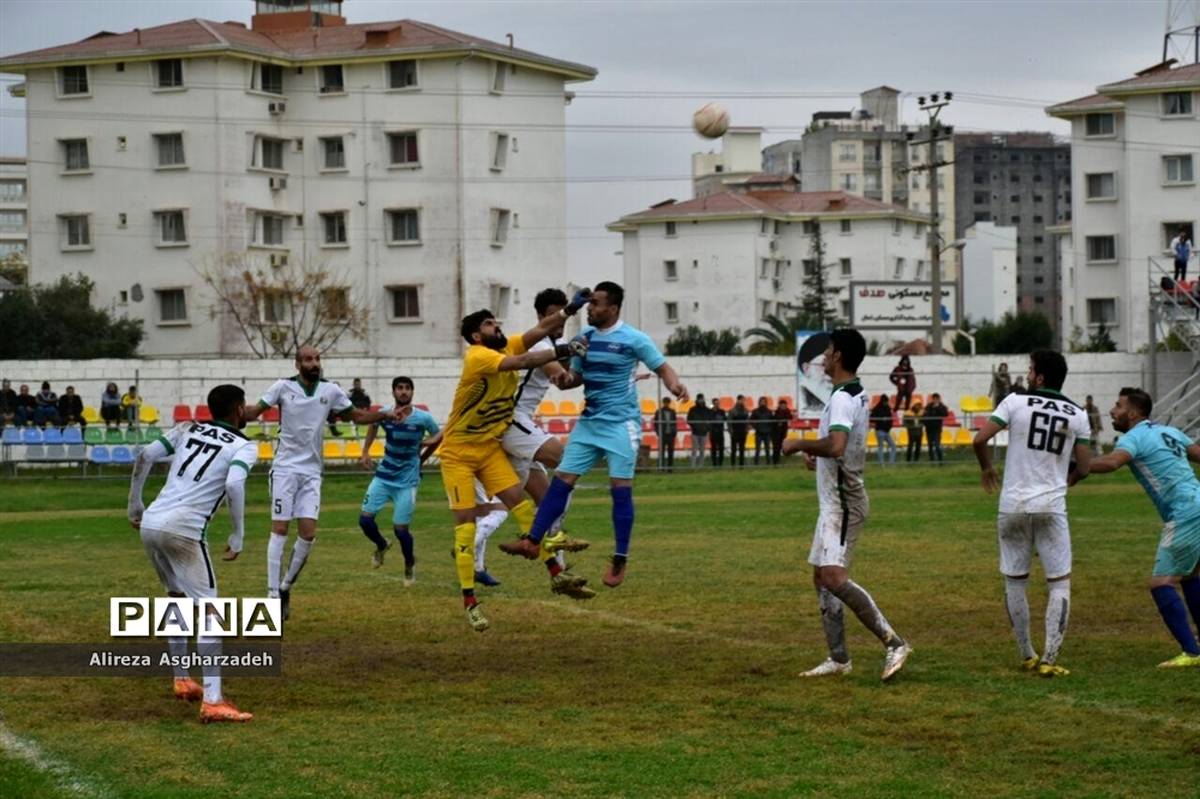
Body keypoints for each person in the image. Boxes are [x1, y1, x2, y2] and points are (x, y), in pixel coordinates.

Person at [502, 281, 689, 590]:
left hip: (621, 425)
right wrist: (565, 379)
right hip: (589, 423)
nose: (590, 308)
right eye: (589, 303)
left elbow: (662, 366)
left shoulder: (634, 339)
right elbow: (575, 377)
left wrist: (674, 384)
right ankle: (533, 541)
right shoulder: (583, 339)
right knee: (561, 481)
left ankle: (619, 557)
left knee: (619, 489)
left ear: (613, 308)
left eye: (597, 304)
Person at [440, 295, 595, 632]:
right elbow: (523, 360)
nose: (498, 326)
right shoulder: (480, 356)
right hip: (462, 454)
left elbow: (538, 331)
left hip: (489, 447)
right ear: (477, 336)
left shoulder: (503, 345)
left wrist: (569, 311)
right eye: (490, 324)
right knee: (465, 527)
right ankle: (470, 602)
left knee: (522, 509)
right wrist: (567, 351)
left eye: (496, 322)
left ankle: (557, 571)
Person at [782, 328, 912, 681]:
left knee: (834, 577)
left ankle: (895, 642)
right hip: (834, 502)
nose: (823, 356)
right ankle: (839, 658)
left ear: (838, 356)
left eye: (827, 351)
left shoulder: (842, 398)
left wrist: (801, 444)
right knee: (820, 578)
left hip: (844, 503)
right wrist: (818, 459)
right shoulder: (851, 392)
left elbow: (838, 445)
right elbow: (842, 447)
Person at [126, 384, 259, 723]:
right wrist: (238, 533)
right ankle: (213, 700)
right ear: (239, 410)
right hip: (183, 529)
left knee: (176, 598)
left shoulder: (187, 428)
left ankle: (182, 677)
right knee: (210, 610)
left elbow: (145, 456)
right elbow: (233, 484)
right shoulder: (245, 446)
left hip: (152, 522)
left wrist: (134, 505)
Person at [242, 346, 398, 622]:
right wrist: (234, 412)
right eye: (308, 360)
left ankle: (285, 586)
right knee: (279, 528)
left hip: (312, 472)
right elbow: (255, 411)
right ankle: (271, 596)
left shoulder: (330, 391)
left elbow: (358, 416)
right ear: (297, 363)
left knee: (308, 535)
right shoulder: (282, 387)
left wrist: (385, 414)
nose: (314, 363)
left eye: (316, 359)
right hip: (285, 469)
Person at [973, 351, 1093, 677]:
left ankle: (1027, 653)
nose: (1027, 375)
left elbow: (980, 438)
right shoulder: (1078, 414)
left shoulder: (1015, 401)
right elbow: (1084, 465)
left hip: (1012, 504)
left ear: (1039, 377)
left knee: (1015, 582)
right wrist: (1069, 479)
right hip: (1051, 506)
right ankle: (1050, 659)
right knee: (1059, 584)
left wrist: (986, 468)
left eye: (1030, 370)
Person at [1071, 388, 1200, 668]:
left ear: (1132, 413)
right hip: (1197, 502)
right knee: (1190, 575)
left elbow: (1111, 462)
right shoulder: (1170, 431)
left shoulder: (1134, 437)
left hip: (1185, 511)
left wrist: (1078, 467)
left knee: (1161, 583)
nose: (1112, 411)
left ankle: (1192, 653)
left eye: (1118, 406)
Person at [470, 288, 583, 587]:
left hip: (519, 426)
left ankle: (559, 574)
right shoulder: (540, 345)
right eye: (553, 314)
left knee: (530, 502)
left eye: (562, 313)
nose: (559, 321)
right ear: (541, 316)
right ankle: (553, 540)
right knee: (568, 461)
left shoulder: (553, 342)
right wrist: (605, 372)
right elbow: (563, 380)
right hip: (512, 422)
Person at [358, 376, 440, 582]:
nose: (403, 392)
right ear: (393, 392)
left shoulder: (423, 418)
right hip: (384, 475)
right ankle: (381, 545)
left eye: (407, 388)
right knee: (365, 520)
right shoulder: (386, 414)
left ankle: (409, 563)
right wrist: (365, 451)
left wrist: (423, 458)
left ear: (412, 392)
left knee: (401, 530)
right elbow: (373, 426)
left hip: (407, 480)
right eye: (399, 388)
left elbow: (439, 436)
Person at [923, 393, 949, 465]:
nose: (935, 400)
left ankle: (941, 462)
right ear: (933, 399)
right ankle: (932, 462)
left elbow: (945, 414)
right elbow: (924, 415)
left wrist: (937, 407)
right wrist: (925, 422)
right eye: (934, 399)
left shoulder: (942, 406)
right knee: (930, 446)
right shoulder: (928, 406)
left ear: (939, 399)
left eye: (937, 399)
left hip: (937, 429)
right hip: (929, 429)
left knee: (937, 445)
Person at [871, 394, 896, 466]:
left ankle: (891, 463)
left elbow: (890, 417)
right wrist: (881, 419)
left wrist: (889, 425)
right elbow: (872, 417)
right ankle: (881, 464)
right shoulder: (877, 408)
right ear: (882, 401)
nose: (886, 403)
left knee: (893, 446)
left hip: (887, 431)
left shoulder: (888, 408)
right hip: (880, 430)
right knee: (881, 447)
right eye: (885, 401)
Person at [654, 398, 678, 471]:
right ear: (663, 403)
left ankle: (670, 468)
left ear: (669, 403)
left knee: (671, 451)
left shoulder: (672, 412)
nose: (666, 404)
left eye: (668, 402)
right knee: (662, 451)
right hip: (662, 434)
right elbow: (656, 424)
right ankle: (662, 467)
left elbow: (675, 423)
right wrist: (658, 433)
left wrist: (674, 432)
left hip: (670, 434)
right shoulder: (659, 412)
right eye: (665, 402)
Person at [687, 394, 710, 467]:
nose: (701, 401)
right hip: (695, 433)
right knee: (694, 450)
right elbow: (689, 420)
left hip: (704, 433)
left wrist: (707, 428)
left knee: (702, 450)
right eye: (699, 399)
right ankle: (693, 466)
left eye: (702, 399)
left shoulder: (707, 410)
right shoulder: (692, 409)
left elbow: (710, 420)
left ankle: (701, 465)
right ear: (697, 400)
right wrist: (694, 427)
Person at [751, 397, 773, 465]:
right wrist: (756, 427)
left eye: (764, 401)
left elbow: (772, 421)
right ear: (759, 402)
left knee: (767, 450)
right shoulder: (755, 411)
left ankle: (768, 463)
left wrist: (770, 429)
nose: (763, 403)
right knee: (757, 449)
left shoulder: (769, 411)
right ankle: (756, 463)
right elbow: (751, 420)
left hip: (767, 433)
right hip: (759, 433)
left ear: (766, 403)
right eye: (761, 401)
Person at [729, 395, 749, 467]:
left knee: (742, 450)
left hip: (743, 432)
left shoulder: (745, 410)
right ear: (738, 400)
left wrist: (746, 430)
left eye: (743, 400)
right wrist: (731, 432)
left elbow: (747, 421)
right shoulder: (733, 410)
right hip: (735, 432)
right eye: (741, 400)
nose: (743, 401)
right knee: (733, 450)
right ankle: (733, 465)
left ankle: (741, 465)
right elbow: (729, 422)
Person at [771, 399, 792, 465]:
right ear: (779, 405)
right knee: (776, 447)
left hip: (783, 432)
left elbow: (790, 417)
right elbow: (776, 418)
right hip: (775, 433)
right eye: (782, 405)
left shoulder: (787, 411)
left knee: (780, 447)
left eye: (784, 405)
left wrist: (787, 411)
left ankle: (778, 460)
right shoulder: (776, 412)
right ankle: (775, 461)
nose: (783, 406)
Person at [709, 397, 727, 467]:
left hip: (720, 432)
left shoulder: (722, 411)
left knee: (721, 448)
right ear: (713, 404)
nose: (717, 404)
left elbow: (725, 419)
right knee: (713, 449)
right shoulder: (710, 411)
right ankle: (714, 463)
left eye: (718, 403)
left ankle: (720, 463)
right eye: (715, 403)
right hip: (713, 433)